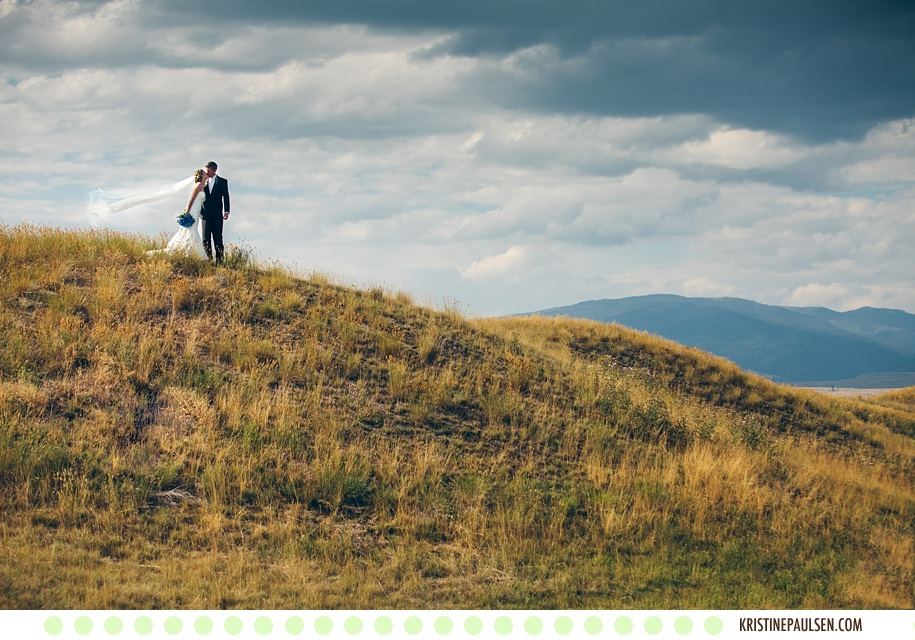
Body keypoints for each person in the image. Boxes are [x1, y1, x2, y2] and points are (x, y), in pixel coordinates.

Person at [145, 168, 208, 258]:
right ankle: (192, 252)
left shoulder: (203, 186)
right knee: (191, 229)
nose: (207, 174)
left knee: (192, 229)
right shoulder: (198, 185)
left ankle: (190, 250)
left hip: (197, 210)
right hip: (193, 209)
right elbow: (192, 198)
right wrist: (187, 211)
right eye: (205, 173)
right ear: (201, 175)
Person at [201, 161, 230, 264]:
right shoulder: (202, 182)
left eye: (208, 170)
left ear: (214, 170)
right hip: (205, 215)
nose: (206, 172)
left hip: (217, 215)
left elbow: (226, 197)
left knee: (217, 238)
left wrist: (226, 211)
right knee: (205, 239)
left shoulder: (222, 182)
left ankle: (220, 261)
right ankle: (208, 260)